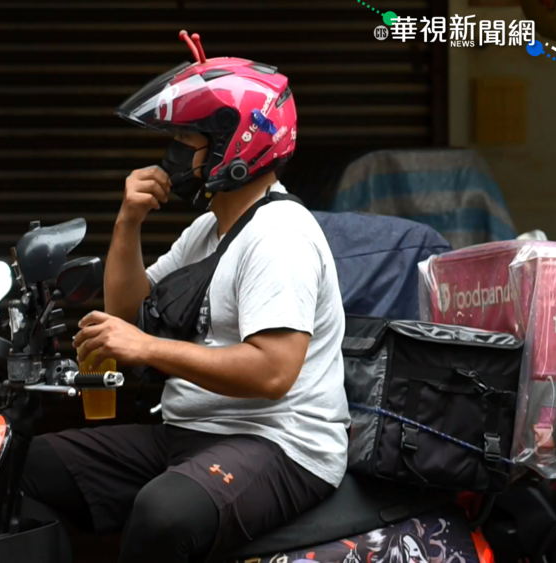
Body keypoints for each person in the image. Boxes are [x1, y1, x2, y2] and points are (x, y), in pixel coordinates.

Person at [21, 34, 349, 563]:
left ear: (235, 144)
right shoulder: (206, 230)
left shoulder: (280, 234)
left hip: (283, 445)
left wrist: (147, 350)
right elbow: (129, 312)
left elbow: (273, 372)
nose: (173, 155)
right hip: (191, 431)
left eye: (188, 141)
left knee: (164, 513)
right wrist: (128, 222)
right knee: (29, 466)